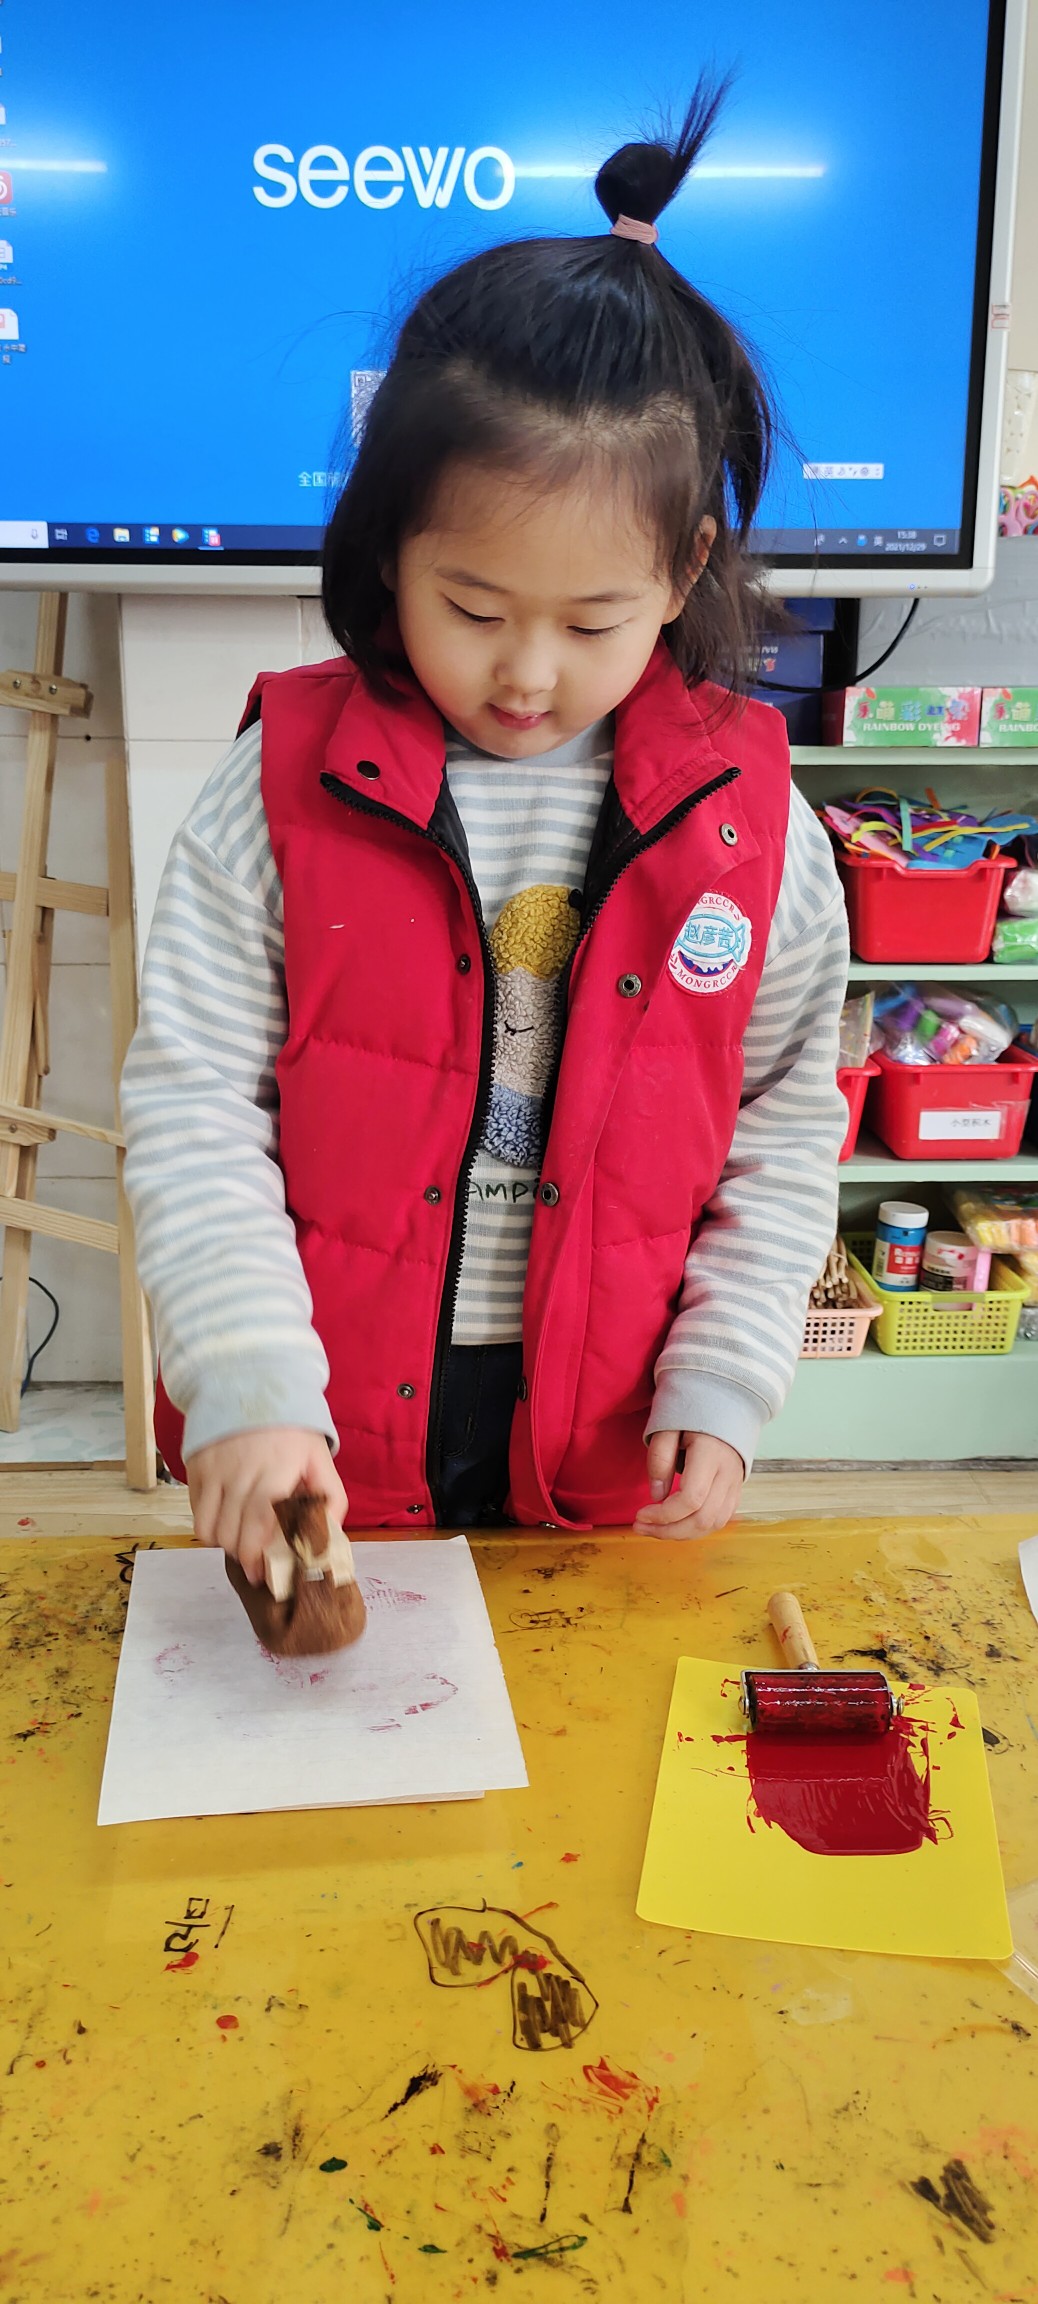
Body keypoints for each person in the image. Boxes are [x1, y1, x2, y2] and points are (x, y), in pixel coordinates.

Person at [122, 83, 848, 1583]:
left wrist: (727, 1372)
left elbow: (782, 1123)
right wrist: (248, 1379)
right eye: (470, 608)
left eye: (591, 622)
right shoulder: (279, 788)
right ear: (389, 545)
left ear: (685, 569)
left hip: (605, 1427)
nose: (526, 674)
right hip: (327, 1419)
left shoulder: (752, 827)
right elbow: (194, 1101)